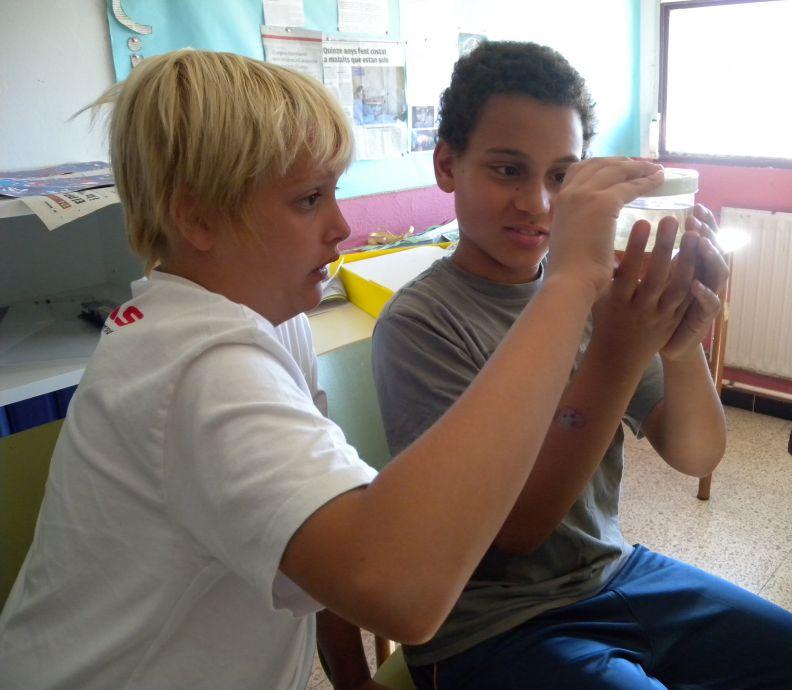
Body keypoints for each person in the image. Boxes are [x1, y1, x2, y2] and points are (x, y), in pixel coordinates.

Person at [0, 51, 671, 689]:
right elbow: (404, 592)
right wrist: (568, 285)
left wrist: (349, 677)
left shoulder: (271, 321)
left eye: (335, 193)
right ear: (197, 218)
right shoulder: (197, 365)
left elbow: (326, 511)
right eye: (308, 200)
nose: (342, 226)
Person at [372, 41, 792, 690]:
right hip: (490, 625)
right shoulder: (422, 323)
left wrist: (679, 346)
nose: (537, 203)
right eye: (507, 170)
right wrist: (616, 350)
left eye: (562, 176)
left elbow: (696, 453)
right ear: (448, 165)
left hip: (612, 574)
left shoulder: (596, 293)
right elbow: (518, 530)